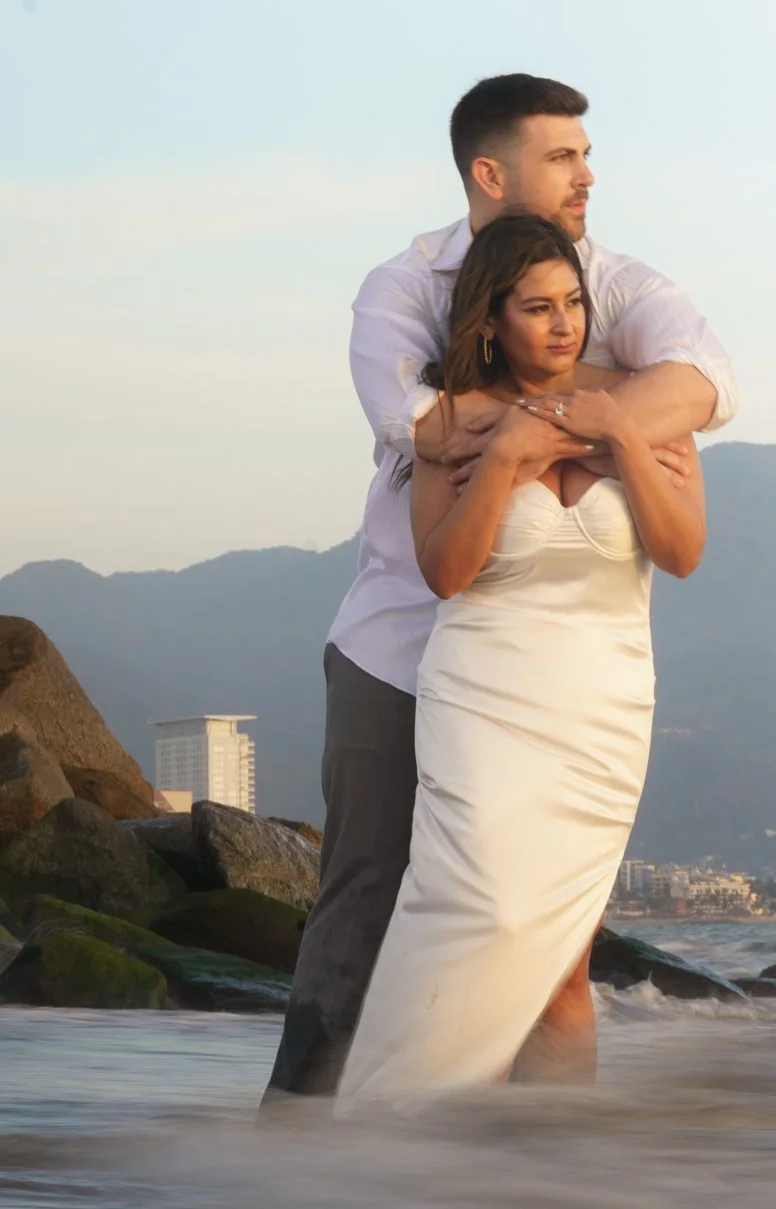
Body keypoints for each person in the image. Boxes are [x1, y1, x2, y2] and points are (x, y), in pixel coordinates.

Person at [264, 75, 733, 1104]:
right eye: (564, 156)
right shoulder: (400, 285)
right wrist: (542, 424)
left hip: (577, 686)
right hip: (402, 648)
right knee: (370, 903)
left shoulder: (617, 281)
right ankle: (301, 1149)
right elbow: (413, 417)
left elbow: (705, 381)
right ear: (492, 171)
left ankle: (530, 1181)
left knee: (552, 939)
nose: (588, 174)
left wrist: (588, 416)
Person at [336, 213, 705, 1101]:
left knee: (563, 959)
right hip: (484, 701)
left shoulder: (648, 407)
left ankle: (543, 1176)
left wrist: (619, 437)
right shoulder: (452, 422)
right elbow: (447, 574)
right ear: (489, 321)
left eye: (574, 302)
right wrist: (504, 459)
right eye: (537, 307)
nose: (565, 322)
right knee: (485, 915)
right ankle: (416, 1128)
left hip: (604, 712)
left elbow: (683, 551)